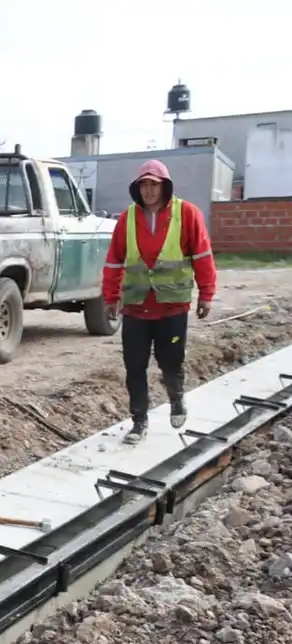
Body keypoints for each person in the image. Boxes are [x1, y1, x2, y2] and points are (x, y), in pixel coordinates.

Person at [102, 159, 217, 444]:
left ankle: (176, 399)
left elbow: (203, 256)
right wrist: (111, 297)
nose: (149, 190)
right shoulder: (127, 219)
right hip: (136, 308)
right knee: (134, 367)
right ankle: (139, 422)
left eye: (154, 184)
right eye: (144, 184)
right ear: (137, 188)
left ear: (164, 186)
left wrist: (207, 293)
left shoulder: (186, 214)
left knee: (170, 362)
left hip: (172, 307)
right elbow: (114, 261)